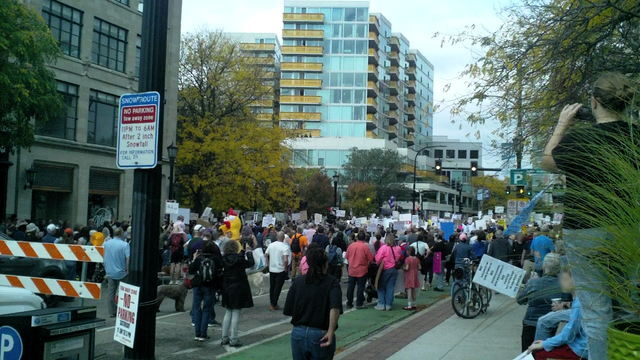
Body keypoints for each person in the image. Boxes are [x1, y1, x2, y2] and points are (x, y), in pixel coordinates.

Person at [283, 248, 343, 360]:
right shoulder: (332, 282)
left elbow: (288, 309)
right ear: (325, 264)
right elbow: (335, 307)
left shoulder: (298, 281)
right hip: (320, 333)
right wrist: (330, 331)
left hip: (298, 332)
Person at [528, 267, 588, 360]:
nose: (561, 282)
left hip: (580, 349)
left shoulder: (579, 304)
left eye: (564, 279)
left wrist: (544, 344)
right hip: (579, 345)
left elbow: (568, 334)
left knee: (538, 353)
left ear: (575, 281)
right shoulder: (579, 300)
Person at [517, 253, 563, 352]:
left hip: (530, 321)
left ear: (544, 267)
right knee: (544, 352)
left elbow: (520, 300)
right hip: (551, 323)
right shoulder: (563, 285)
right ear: (559, 268)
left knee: (527, 353)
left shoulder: (533, 283)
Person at [220, 240, 254, 347]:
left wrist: (242, 252)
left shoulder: (223, 259)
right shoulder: (239, 260)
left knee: (228, 312)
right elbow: (251, 263)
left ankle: (224, 337)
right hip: (238, 287)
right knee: (236, 312)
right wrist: (248, 252)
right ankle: (234, 338)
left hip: (227, 287)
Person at [188, 240, 222, 341]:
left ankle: (197, 333)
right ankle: (203, 333)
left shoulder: (199, 258)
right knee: (207, 309)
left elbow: (191, 270)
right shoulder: (215, 259)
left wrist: (194, 259)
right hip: (210, 285)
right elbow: (219, 271)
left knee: (197, 308)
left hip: (198, 284)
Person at [103, 227, 130, 318]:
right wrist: (127, 269)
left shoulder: (106, 244)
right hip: (121, 272)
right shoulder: (125, 245)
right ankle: (123, 310)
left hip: (110, 271)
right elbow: (128, 258)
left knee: (111, 292)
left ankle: (112, 311)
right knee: (123, 291)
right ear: (122, 234)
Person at [344, 231, 374, 309]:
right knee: (360, 287)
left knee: (351, 287)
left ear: (357, 238)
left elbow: (346, 257)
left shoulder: (351, 246)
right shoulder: (365, 247)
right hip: (362, 270)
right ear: (364, 238)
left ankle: (349, 302)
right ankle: (359, 303)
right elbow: (371, 258)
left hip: (352, 269)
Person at [374, 234, 402, 311]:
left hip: (385, 269)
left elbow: (378, 259)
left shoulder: (383, 248)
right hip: (394, 269)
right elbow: (399, 257)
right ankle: (389, 304)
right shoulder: (398, 248)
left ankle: (381, 303)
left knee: (381, 287)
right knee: (390, 287)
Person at [265, 231, 291, 311]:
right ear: (283, 238)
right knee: (278, 287)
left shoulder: (271, 245)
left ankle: (272, 302)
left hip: (272, 269)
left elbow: (266, 254)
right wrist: (285, 268)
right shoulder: (284, 247)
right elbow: (286, 260)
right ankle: (274, 303)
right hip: (280, 269)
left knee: (272, 286)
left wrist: (268, 264)